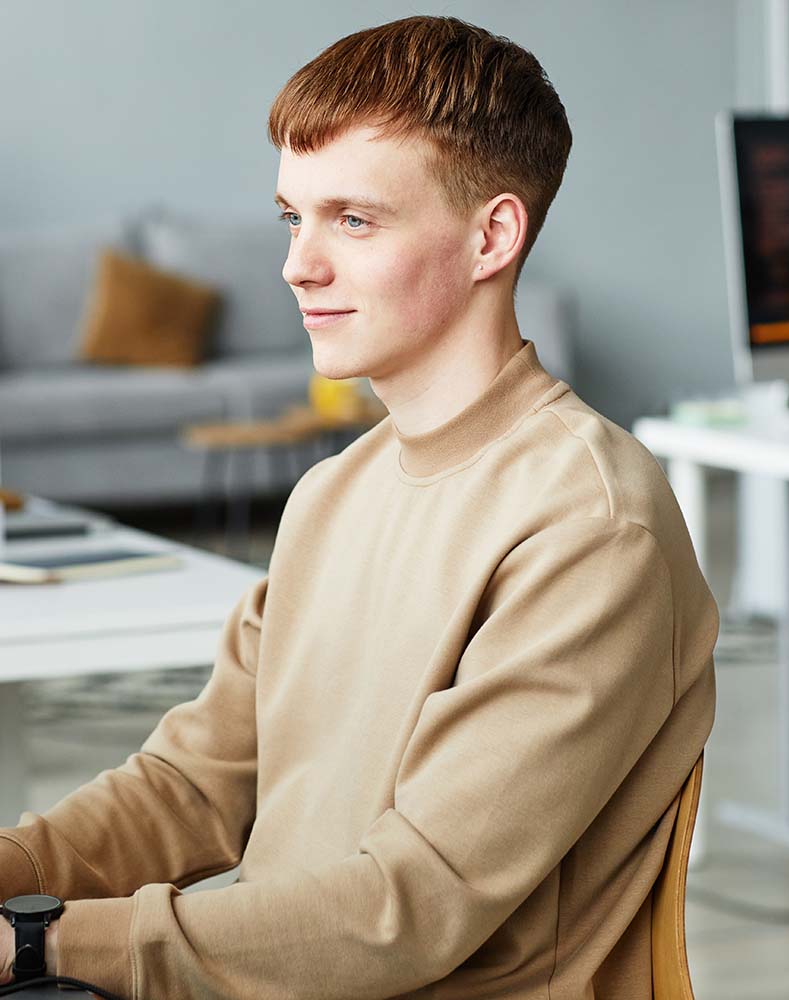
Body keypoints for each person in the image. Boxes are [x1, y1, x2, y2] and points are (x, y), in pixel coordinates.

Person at [0, 15, 718, 999]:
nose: (298, 263)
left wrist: (42, 947)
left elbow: (406, 908)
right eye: (293, 217)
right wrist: (16, 877)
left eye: (353, 219)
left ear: (490, 237)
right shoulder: (332, 492)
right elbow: (192, 788)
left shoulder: (589, 527)